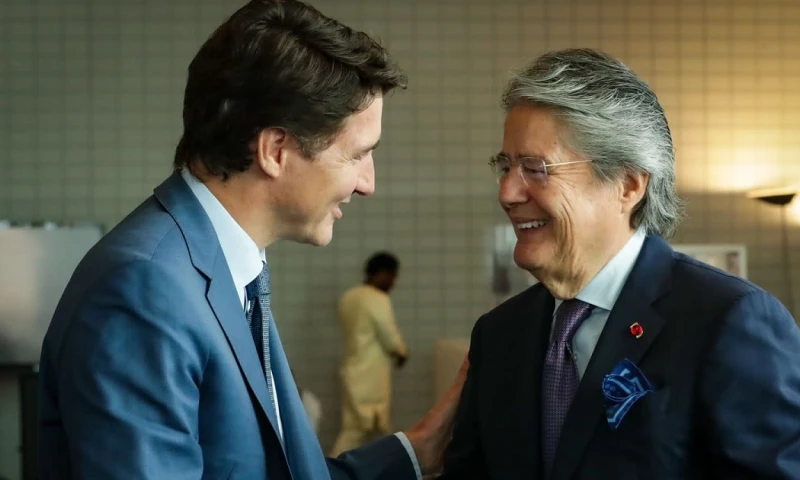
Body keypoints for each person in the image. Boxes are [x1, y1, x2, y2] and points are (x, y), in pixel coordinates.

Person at [37, 1, 467, 479]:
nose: (368, 183)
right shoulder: (144, 289)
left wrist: (415, 451)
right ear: (276, 151)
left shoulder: (221, 267)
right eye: (357, 155)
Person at [439, 48, 800, 479]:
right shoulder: (500, 334)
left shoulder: (727, 320)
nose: (508, 193)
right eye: (505, 166)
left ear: (628, 185)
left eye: (535, 169)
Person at [331, 252, 409, 456]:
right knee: (359, 429)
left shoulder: (348, 297)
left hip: (353, 370)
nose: (393, 282)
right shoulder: (377, 298)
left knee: (370, 427)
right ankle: (330, 471)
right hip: (370, 374)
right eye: (393, 276)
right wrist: (402, 352)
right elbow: (388, 334)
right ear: (382, 273)